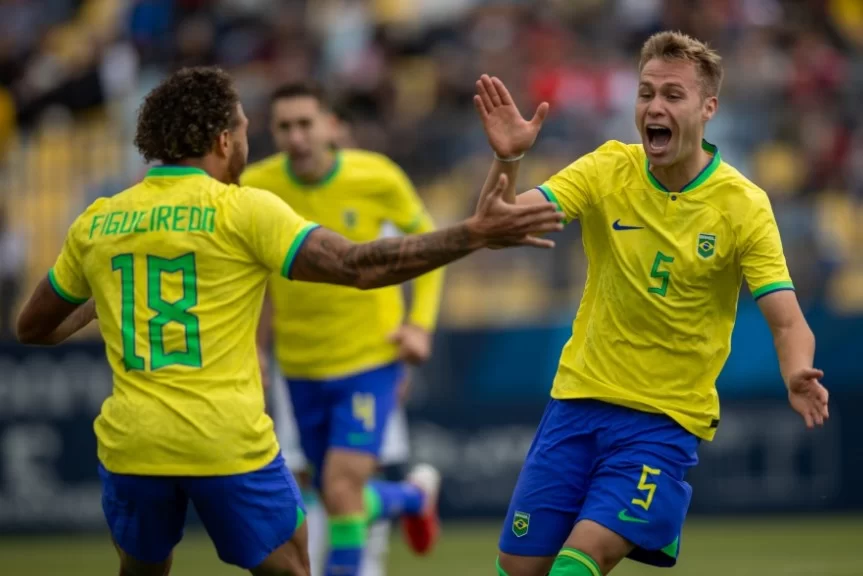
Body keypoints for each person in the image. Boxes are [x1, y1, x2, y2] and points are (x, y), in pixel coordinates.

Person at [14, 66, 564, 576]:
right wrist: (472, 234)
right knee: (293, 566)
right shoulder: (243, 207)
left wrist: (110, 289)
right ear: (225, 140)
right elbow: (355, 265)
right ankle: (411, 498)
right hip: (225, 440)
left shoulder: (101, 221)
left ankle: (409, 499)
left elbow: (33, 327)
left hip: (133, 444)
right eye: (250, 129)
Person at [472, 31, 830, 576]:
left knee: (581, 557)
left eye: (672, 95)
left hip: (661, 423)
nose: (654, 107)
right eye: (645, 94)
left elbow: (786, 321)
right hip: (575, 402)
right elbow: (497, 228)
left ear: (708, 108)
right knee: (518, 569)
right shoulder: (605, 168)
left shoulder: (743, 206)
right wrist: (509, 158)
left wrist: (797, 370)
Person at [243, 83, 442, 576]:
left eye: (305, 124)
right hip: (301, 368)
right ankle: (413, 497)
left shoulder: (377, 176)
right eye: (284, 126)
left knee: (339, 488)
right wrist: (256, 351)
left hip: (369, 361)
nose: (296, 137)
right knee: (330, 493)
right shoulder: (255, 188)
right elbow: (256, 282)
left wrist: (418, 325)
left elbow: (433, 252)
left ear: (332, 126)